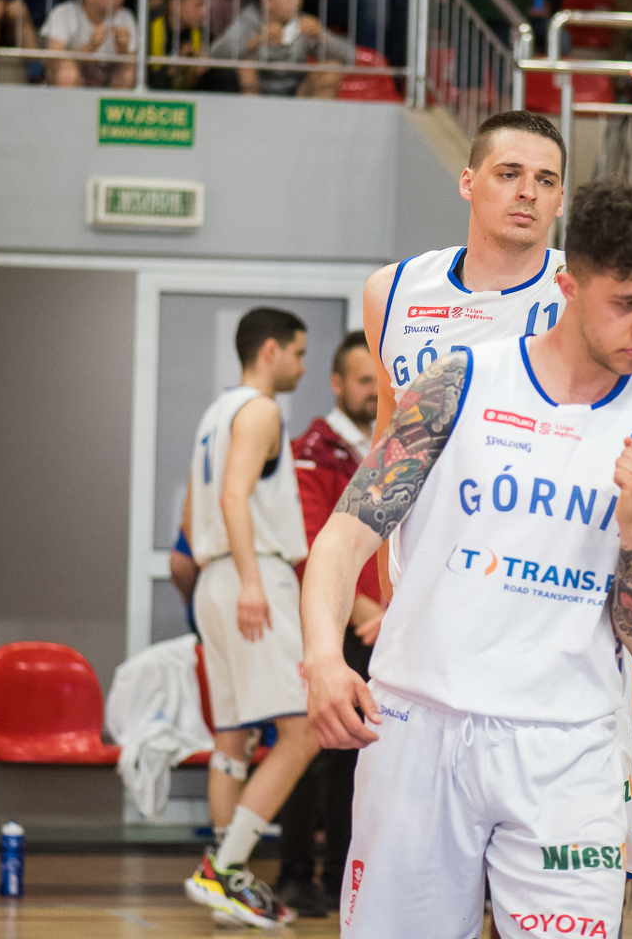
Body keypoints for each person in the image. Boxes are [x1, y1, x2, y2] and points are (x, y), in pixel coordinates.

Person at [301, 178, 632, 938]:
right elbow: (345, 534)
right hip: (419, 722)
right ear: (569, 286)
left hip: (568, 746)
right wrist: (324, 658)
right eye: (626, 302)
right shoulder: (459, 381)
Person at [366, 23, 632, 600]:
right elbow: (388, 431)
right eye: (509, 174)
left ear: (561, 200)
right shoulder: (392, 291)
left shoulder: (586, 288)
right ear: (468, 182)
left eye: (545, 180)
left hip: (545, 582)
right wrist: (386, 582)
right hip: (425, 593)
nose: (527, 191)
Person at [182, 308, 321, 928]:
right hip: (251, 573)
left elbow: (193, 517)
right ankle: (225, 867)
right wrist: (251, 582)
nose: (302, 365)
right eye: (298, 352)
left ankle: (226, 884)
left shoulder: (214, 414)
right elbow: (233, 496)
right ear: (270, 351)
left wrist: (227, 577)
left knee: (231, 740)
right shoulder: (261, 410)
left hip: (214, 577)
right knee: (303, 731)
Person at [273, 330, 383, 916]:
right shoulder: (312, 451)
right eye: (363, 381)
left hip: (382, 626)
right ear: (337, 384)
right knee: (315, 753)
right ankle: (294, 873)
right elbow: (313, 541)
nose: (374, 391)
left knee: (357, 759)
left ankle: (344, 873)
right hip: (332, 624)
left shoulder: (392, 445)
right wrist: (366, 611)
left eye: (379, 380)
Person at [208, 0, 356, 97]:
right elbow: (216, 52)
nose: (299, 0)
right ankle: (253, 116)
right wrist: (256, 42)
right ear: (267, 1)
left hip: (297, 93)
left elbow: (351, 55)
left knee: (331, 69)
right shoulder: (248, 20)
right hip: (258, 92)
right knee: (246, 67)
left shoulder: (303, 23)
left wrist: (322, 37)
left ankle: (315, 119)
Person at [40, 0, 135, 88]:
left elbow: (133, 68)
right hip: (74, 86)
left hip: (110, 88)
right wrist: (88, 49)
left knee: (129, 73)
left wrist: (123, 51)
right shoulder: (64, 13)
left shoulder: (125, 17)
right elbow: (53, 61)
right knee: (66, 72)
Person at [146, 0, 213, 91]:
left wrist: (201, 72)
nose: (204, 11)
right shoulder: (149, 32)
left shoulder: (203, 35)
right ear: (175, 5)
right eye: (198, 5)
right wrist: (172, 69)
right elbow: (147, 79)